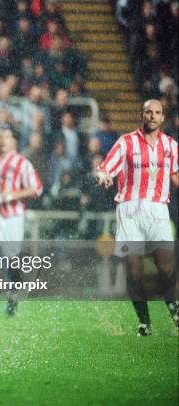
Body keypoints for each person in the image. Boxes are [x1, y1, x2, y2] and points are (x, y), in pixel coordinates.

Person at [95, 99, 178, 336]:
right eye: (148, 112)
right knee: (134, 270)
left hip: (158, 210)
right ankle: (144, 323)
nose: (152, 116)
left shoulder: (171, 145)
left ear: (163, 118)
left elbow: (176, 174)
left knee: (165, 267)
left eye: (157, 113)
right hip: (129, 211)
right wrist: (103, 177)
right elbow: (104, 168)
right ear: (141, 115)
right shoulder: (126, 142)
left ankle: (175, 311)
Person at [0, 125, 43, 316]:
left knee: (10, 259)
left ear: (14, 141)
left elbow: (37, 189)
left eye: (7, 136)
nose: (2, 139)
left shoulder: (22, 163)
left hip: (12, 216)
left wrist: (15, 193)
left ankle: (11, 296)